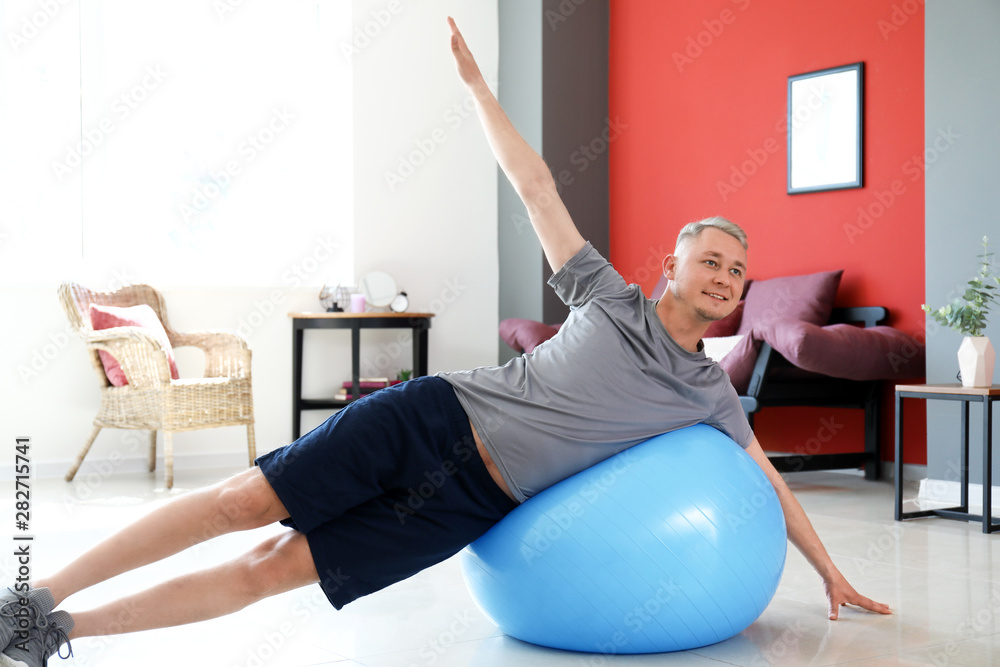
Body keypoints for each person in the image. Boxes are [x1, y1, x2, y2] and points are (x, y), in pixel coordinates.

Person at [1, 17, 890, 667]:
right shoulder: (608, 295)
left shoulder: (710, 392)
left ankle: (59, 634)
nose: (727, 276)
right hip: (431, 420)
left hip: (468, 504)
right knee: (242, 502)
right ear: (674, 264)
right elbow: (538, 189)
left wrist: (831, 572)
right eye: (712, 259)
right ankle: (40, 591)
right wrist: (475, 90)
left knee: (274, 570)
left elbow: (767, 480)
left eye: (739, 269)